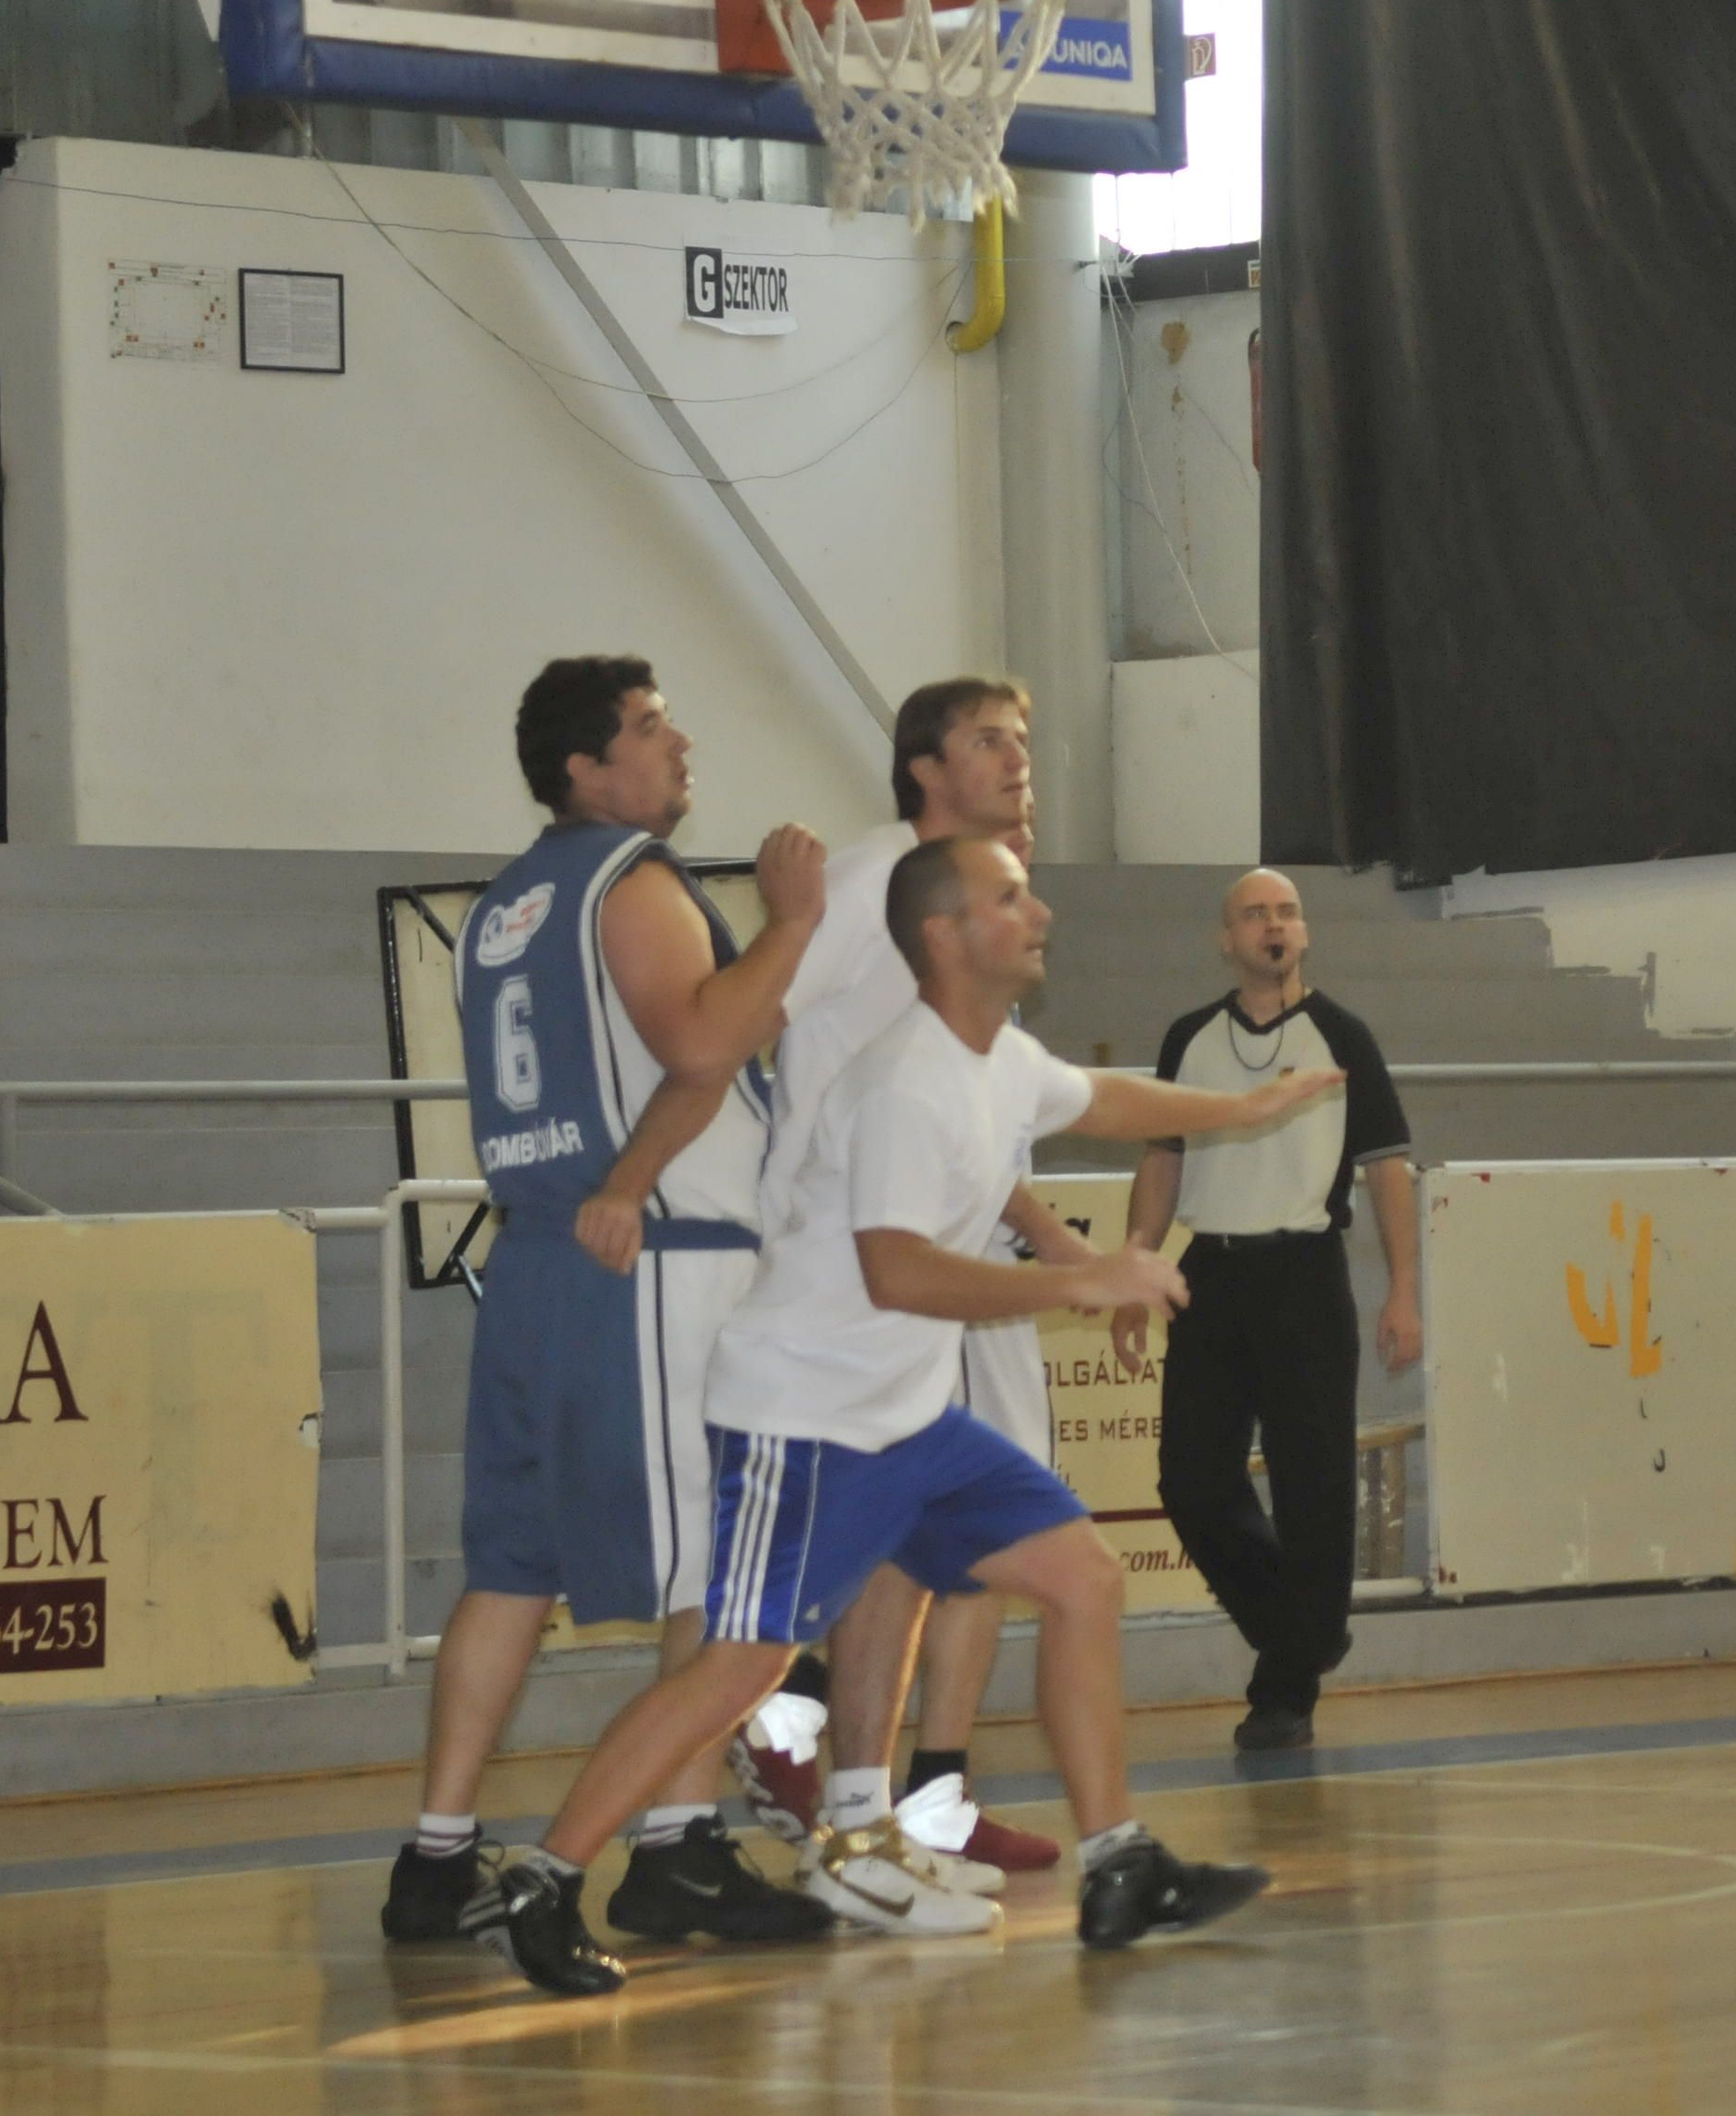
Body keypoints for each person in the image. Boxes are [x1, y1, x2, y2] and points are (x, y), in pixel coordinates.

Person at [463, 834, 1334, 1995]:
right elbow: (898, 1273)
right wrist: (1082, 1279)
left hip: (907, 1421)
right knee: (740, 1666)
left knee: (1083, 1578)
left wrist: (1247, 1104)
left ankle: (1119, 1862)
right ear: (944, 935)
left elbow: (1108, 1097)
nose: (1039, 913)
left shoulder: (1000, 1058)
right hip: (803, 1418)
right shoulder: (900, 1084)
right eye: (1010, 897)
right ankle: (544, 1878)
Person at [381, 656, 840, 1958]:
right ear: (585, 769)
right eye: (648, 728)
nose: (677, 745)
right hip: (649, 1261)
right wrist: (793, 923)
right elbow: (701, 1043)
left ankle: (435, 1857)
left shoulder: (500, 908)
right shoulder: (630, 878)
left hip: (536, 1257)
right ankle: (676, 1849)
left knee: (510, 1571)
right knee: (713, 1575)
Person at [723, 676, 1096, 1900]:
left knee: (982, 1534)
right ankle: (798, 1728)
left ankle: (926, 1796)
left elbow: (983, 1122)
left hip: (965, 1256)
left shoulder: (986, 907)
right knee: (892, 1522)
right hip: (860, 1263)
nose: (1018, 759)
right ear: (925, 768)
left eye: (1023, 740)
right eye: (989, 740)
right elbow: (743, 1023)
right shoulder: (868, 879)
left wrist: (1061, 1247)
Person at [1115, 870, 1421, 1754]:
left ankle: (1284, 1690)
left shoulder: (1344, 1037)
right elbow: (1163, 1159)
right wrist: (1136, 1266)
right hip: (1211, 1274)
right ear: (1227, 939)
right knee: (1190, 1479)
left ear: (1305, 932)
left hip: (1306, 1274)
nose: (1272, 925)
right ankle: (1304, 1632)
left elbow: (1387, 1167)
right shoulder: (1189, 1038)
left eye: (1286, 912)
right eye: (1254, 914)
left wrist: (1403, 1288)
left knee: (1312, 1485)